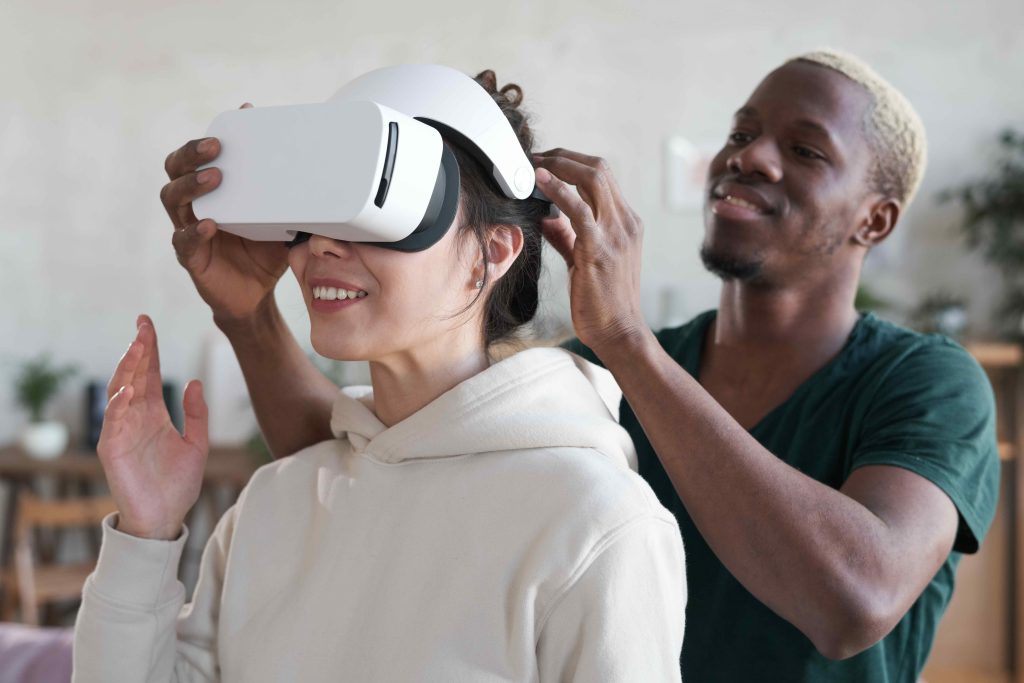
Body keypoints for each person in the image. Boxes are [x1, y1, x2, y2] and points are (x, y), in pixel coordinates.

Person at [160, 50, 1001, 681]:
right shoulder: (594, 381)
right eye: (742, 132)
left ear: (876, 219)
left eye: (806, 150)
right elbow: (374, 464)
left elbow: (853, 600)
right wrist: (248, 317)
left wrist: (628, 340)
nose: (750, 156)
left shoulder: (927, 384)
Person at [72, 70, 687, 682]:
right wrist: (145, 537)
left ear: (493, 252)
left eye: (378, 206)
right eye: (314, 212)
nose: (320, 246)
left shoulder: (595, 524)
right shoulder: (273, 503)